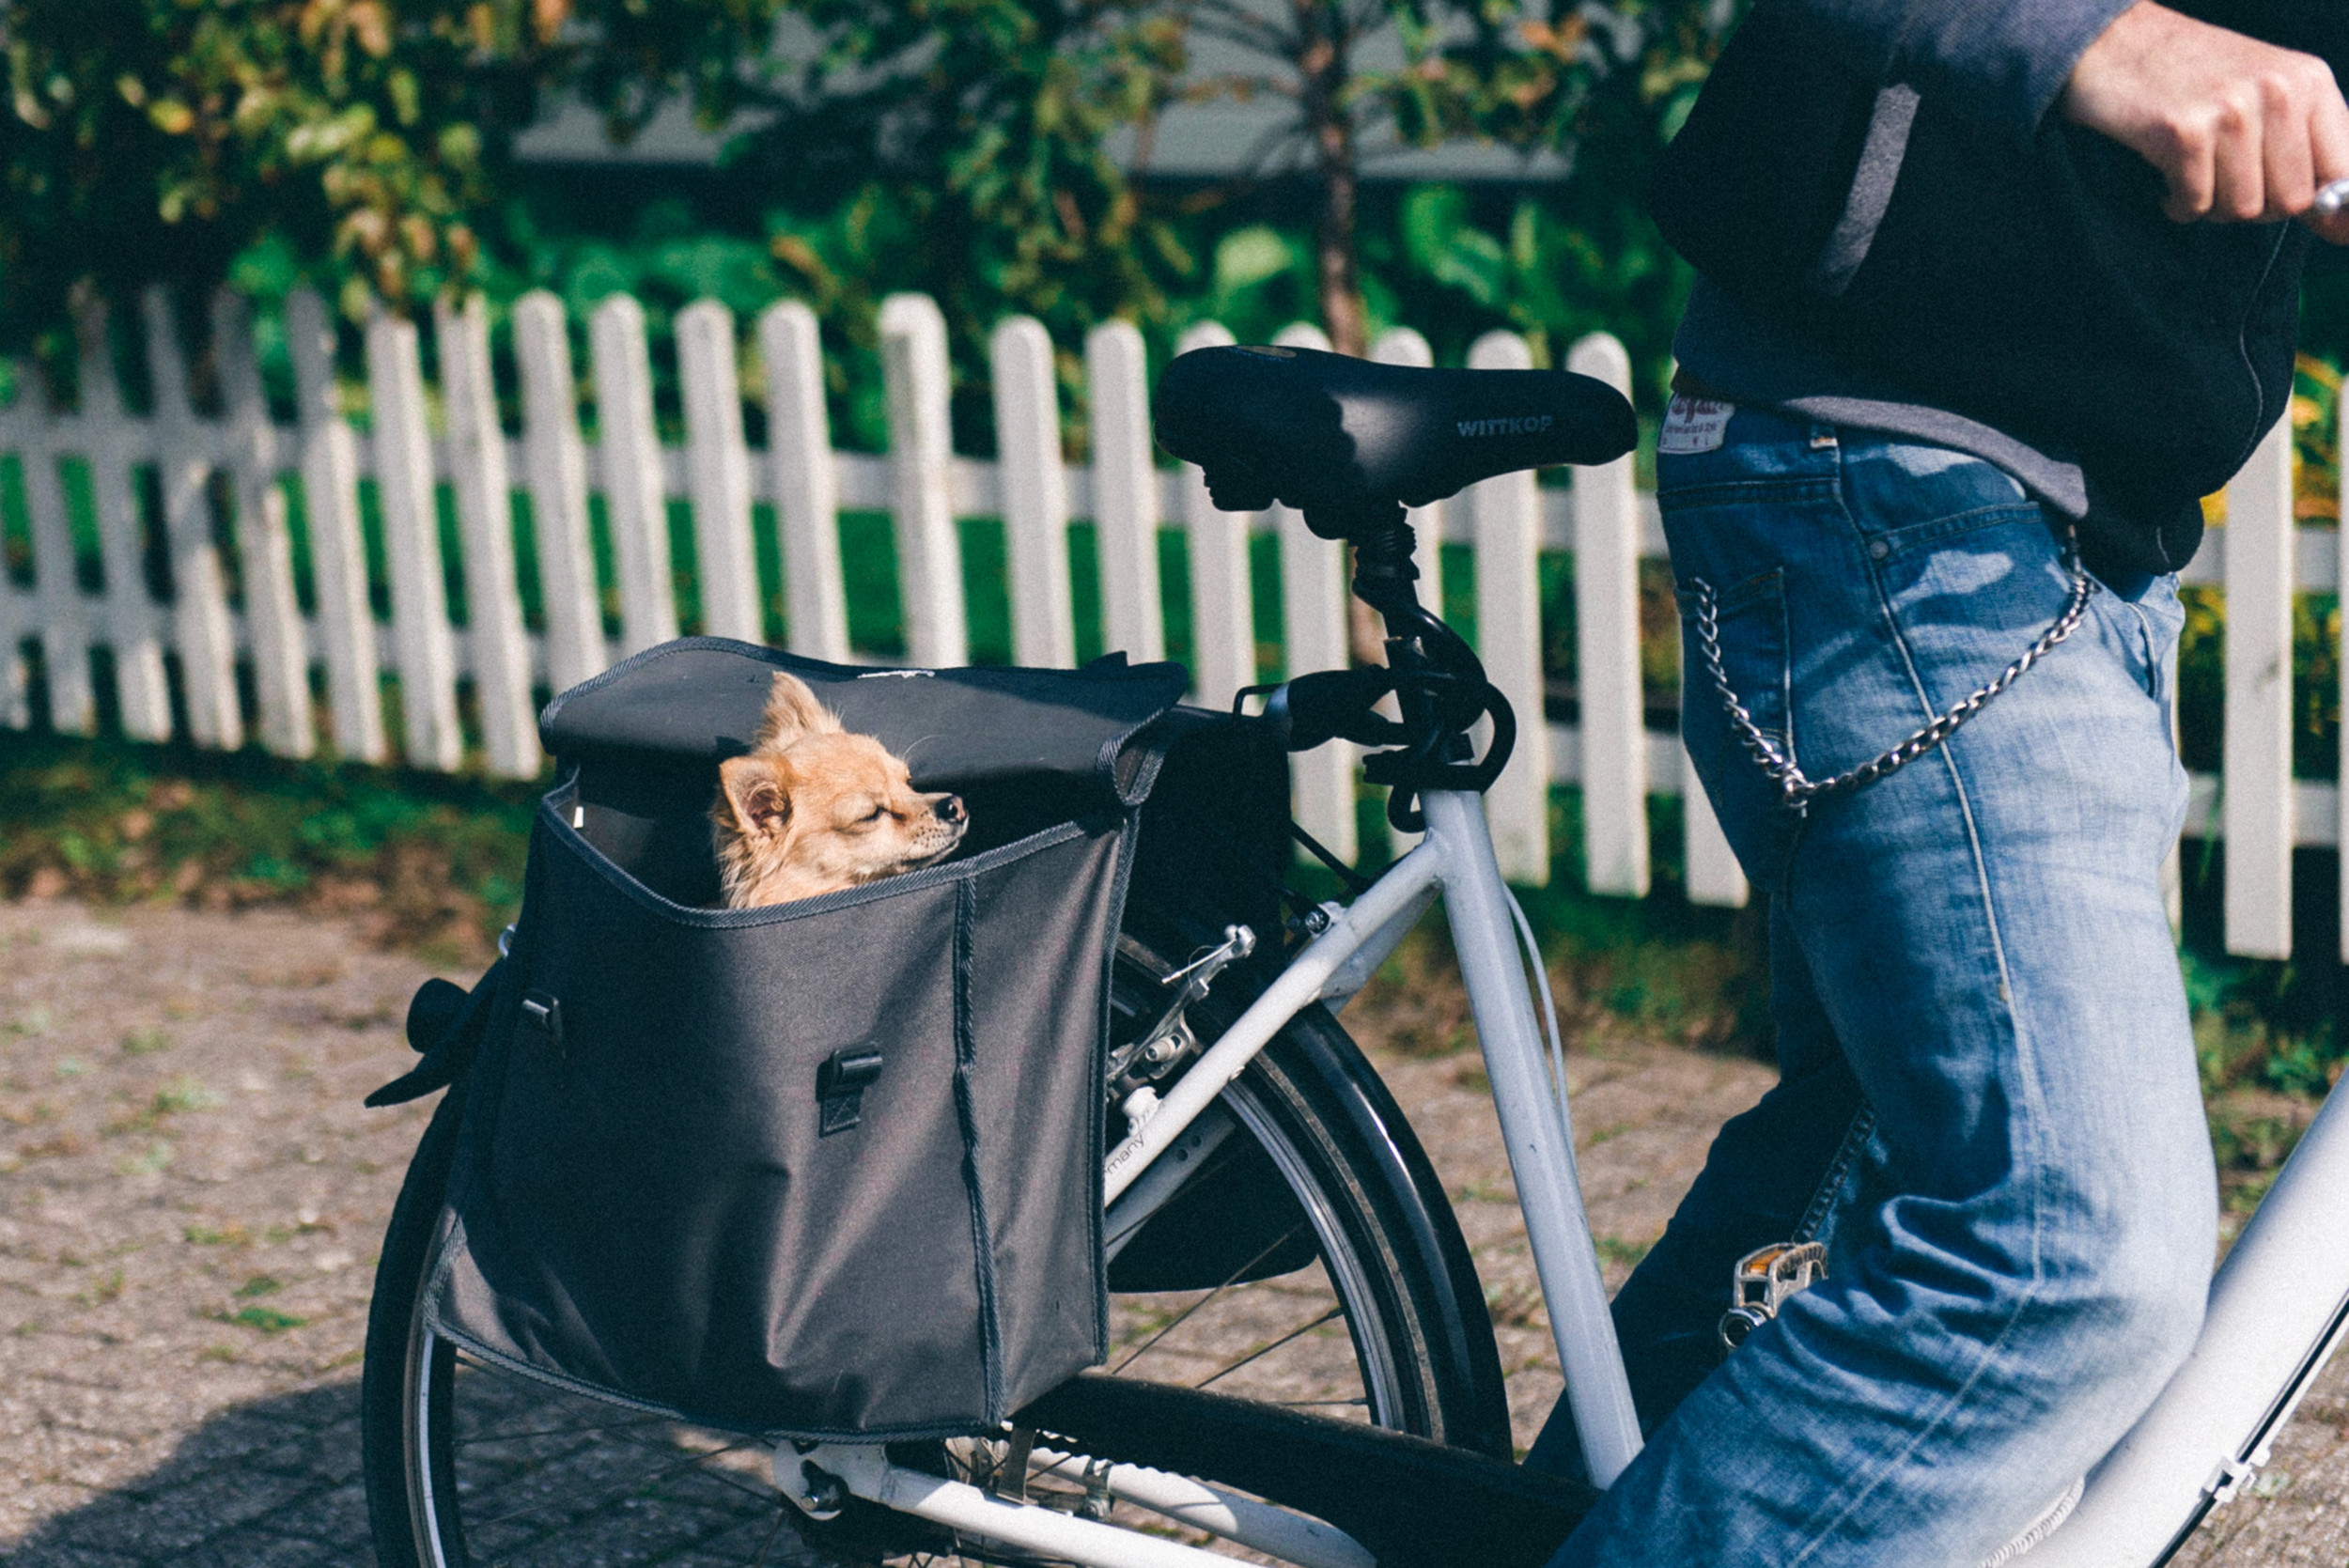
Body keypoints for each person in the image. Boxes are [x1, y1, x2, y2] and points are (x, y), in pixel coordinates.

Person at [1526, 3, 2349, 1563]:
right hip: (1909, 480)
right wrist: (2095, 38)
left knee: (1869, 1167)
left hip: (2048, 507)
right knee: (2062, 1255)